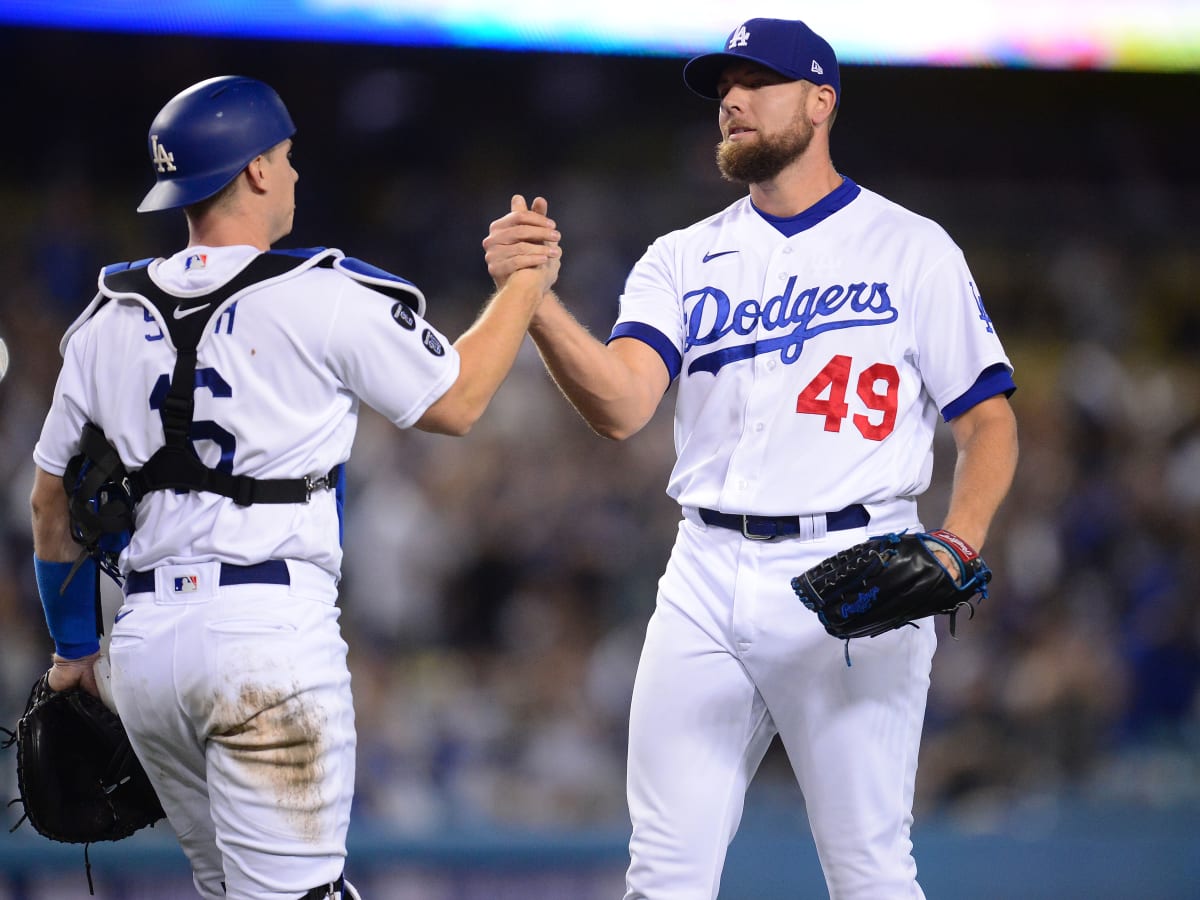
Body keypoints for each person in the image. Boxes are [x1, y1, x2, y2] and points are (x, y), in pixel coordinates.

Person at [484, 17, 1019, 900]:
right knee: (662, 873)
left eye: (757, 80)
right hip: (703, 571)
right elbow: (621, 404)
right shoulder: (682, 258)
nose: (731, 99)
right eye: (722, 86)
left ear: (820, 102)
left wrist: (958, 542)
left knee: (870, 872)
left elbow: (988, 421)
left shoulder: (911, 247)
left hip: (856, 564)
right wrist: (534, 304)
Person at [30, 75, 558, 900]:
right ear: (255, 172)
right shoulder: (320, 293)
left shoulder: (104, 319)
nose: (297, 173)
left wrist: (71, 652)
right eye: (285, 156)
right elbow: (457, 401)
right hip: (265, 640)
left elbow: (49, 507)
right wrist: (524, 285)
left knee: (231, 891)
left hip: (144, 649)